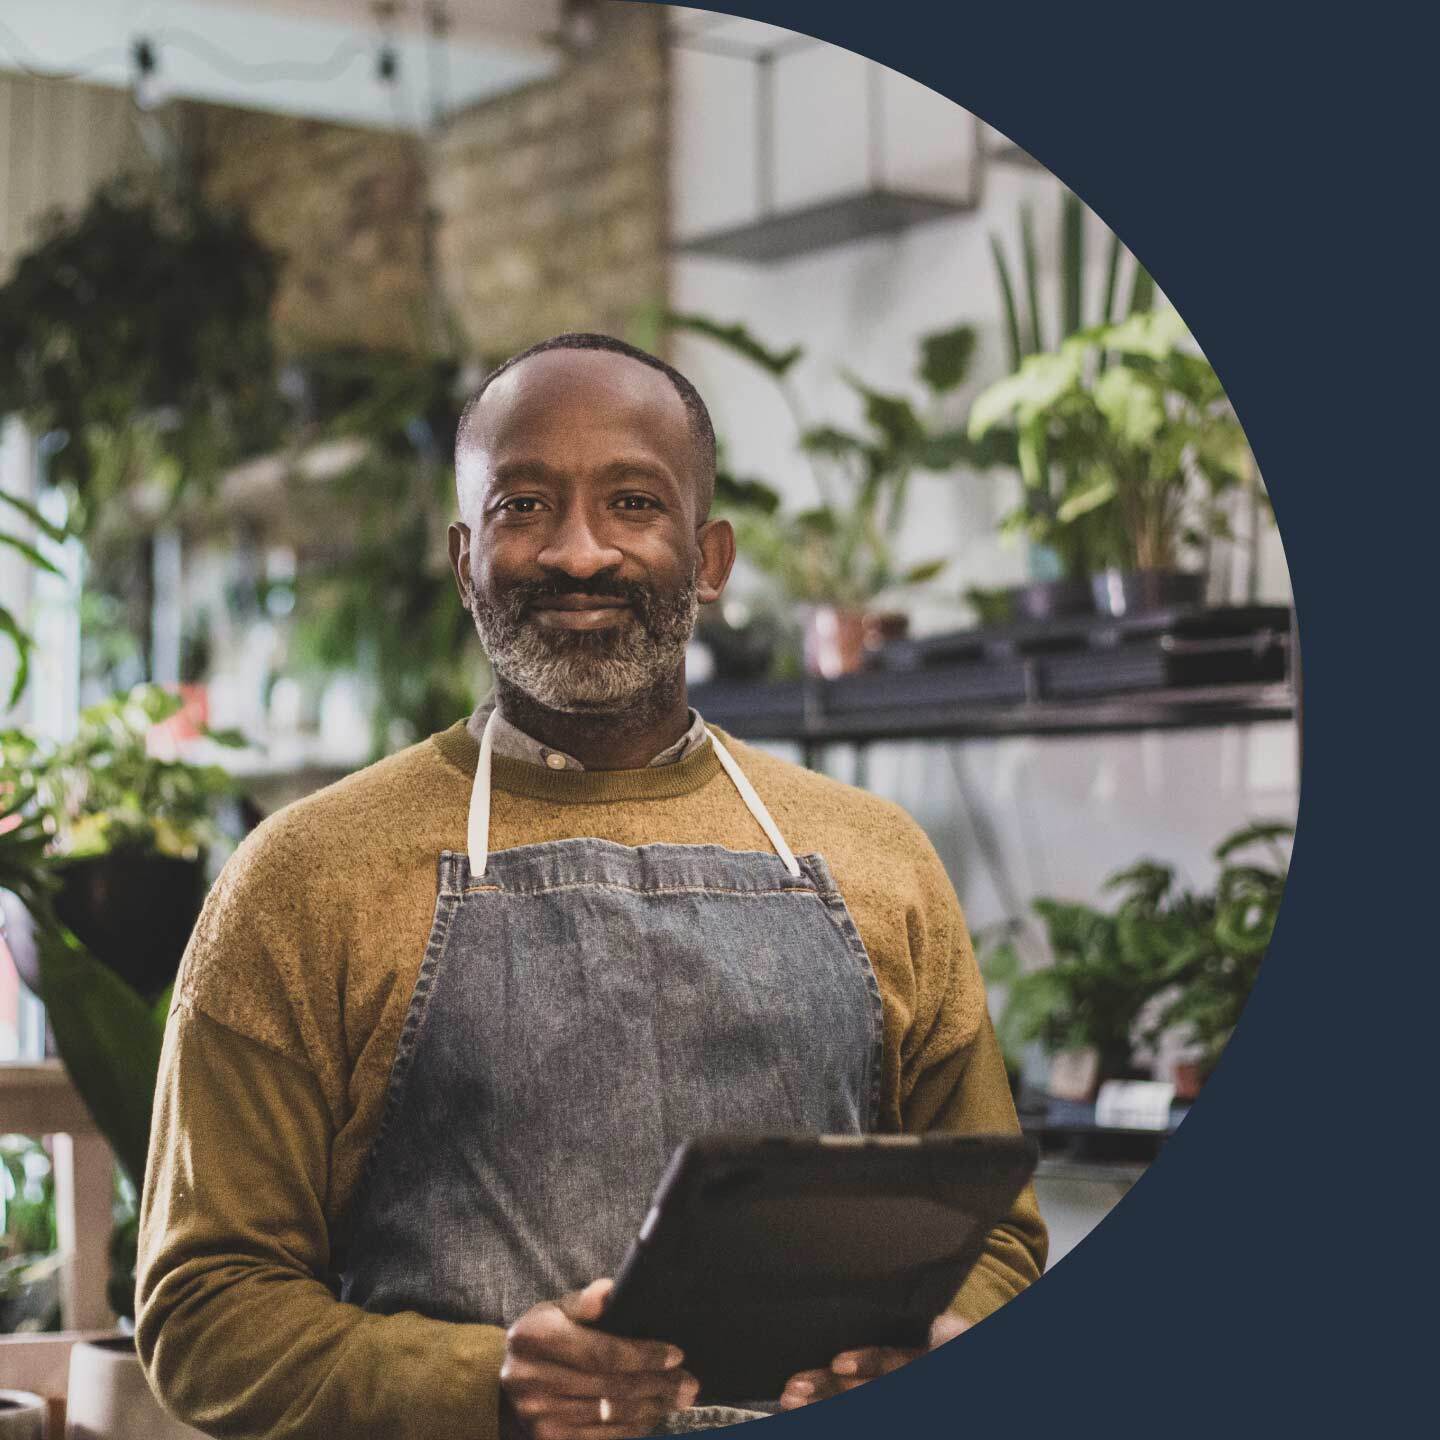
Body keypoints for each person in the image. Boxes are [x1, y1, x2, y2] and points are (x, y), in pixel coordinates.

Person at [136, 333, 1047, 1440]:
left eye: (632, 503)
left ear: (708, 556)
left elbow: (996, 1233)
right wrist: (489, 1386)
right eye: (524, 506)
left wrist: (929, 1347)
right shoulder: (303, 877)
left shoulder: (878, 859)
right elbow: (203, 1309)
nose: (579, 553)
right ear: (465, 554)